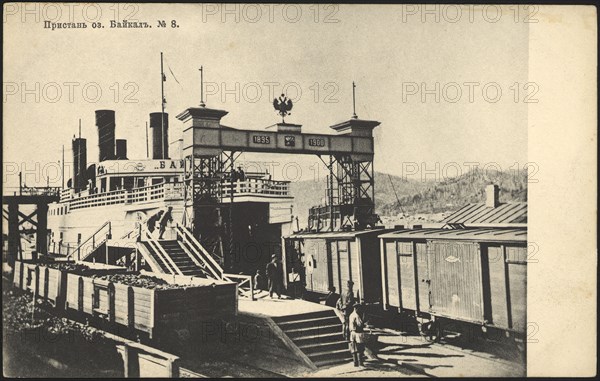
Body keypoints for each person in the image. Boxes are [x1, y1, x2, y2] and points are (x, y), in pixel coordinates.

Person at [349, 303, 366, 367]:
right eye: (358, 308)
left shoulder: (351, 315)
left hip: (352, 332)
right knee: (360, 348)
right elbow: (360, 324)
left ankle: (355, 363)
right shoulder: (357, 316)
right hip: (358, 333)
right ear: (356, 308)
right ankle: (360, 363)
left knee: (354, 348)